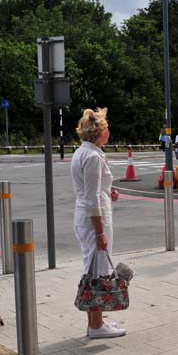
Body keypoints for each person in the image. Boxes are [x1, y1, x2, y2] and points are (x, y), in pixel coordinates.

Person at [72, 108, 125, 339]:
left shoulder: (83, 153)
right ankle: (95, 326)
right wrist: (100, 232)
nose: (109, 131)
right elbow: (92, 197)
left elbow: (91, 190)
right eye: (106, 128)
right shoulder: (93, 157)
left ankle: (97, 321)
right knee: (98, 272)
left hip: (86, 216)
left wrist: (108, 191)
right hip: (95, 220)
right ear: (99, 132)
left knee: (94, 269)